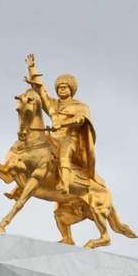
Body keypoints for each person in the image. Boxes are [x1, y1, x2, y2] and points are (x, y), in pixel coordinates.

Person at [26, 54, 97, 194]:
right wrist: (32, 70)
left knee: (63, 155)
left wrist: (63, 125)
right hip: (54, 138)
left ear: (71, 89)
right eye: (59, 87)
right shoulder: (53, 104)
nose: (61, 89)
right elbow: (41, 91)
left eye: (65, 87)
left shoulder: (80, 106)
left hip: (70, 138)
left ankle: (65, 184)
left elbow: (79, 120)